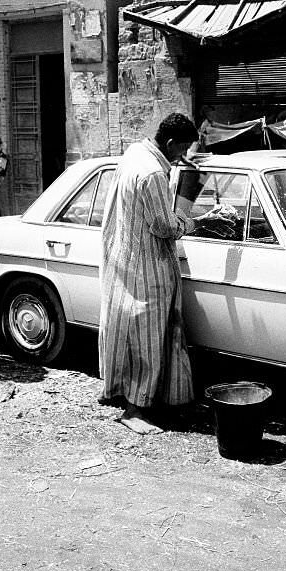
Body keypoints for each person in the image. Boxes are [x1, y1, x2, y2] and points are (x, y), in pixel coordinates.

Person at [98, 113, 228, 434]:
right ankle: (134, 411)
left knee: (127, 333)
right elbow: (164, 225)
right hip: (147, 268)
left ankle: (124, 393)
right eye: (181, 148)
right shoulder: (154, 173)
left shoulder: (134, 154)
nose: (182, 155)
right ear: (170, 142)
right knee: (149, 339)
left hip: (124, 258)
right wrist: (200, 221)